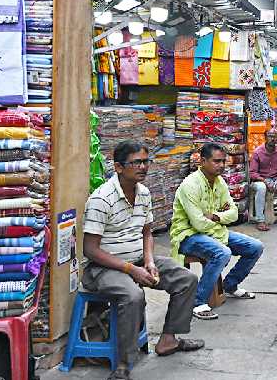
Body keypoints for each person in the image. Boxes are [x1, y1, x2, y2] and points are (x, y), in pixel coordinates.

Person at [83, 141, 204, 380]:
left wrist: (148, 261)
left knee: (186, 279)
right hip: (104, 267)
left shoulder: (144, 193)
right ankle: (123, 362)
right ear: (118, 167)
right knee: (133, 295)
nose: (143, 167)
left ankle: (169, 338)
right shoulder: (101, 199)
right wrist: (130, 269)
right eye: (136, 162)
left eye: (145, 161)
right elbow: (90, 250)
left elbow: (147, 232)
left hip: (137, 259)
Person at [171, 143, 264, 320]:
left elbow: (234, 213)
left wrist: (214, 216)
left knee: (255, 247)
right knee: (222, 252)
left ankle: (230, 285)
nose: (221, 165)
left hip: (215, 231)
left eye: (223, 161)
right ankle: (198, 302)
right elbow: (197, 224)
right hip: (188, 235)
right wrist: (221, 217)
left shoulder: (219, 182)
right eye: (216, 161)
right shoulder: (190, 185)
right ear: (203, 161)